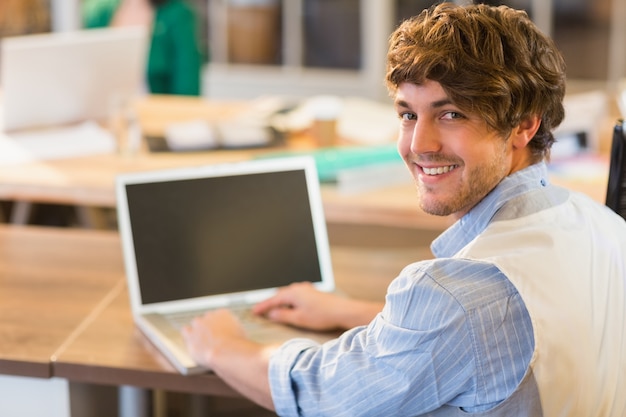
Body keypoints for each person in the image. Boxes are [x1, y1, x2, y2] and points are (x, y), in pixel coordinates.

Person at [182, 3, 626, 416]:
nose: (419, 145)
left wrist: (222, 346)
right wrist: (354, 312)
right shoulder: (602, 225)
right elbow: (499, 336)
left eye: (451, 114)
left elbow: (321, 394)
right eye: (407, 114)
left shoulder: (459, 293)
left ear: (523, 124)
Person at [82, 0, 203, 96]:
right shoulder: (99, 15)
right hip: (105, 119)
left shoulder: (178, 15)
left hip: (157, 119)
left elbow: (188, 93)